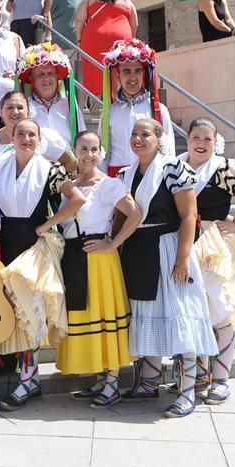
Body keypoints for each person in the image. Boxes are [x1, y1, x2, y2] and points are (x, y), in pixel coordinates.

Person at [117, 116, 216, 416]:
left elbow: (189, 215)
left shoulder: (175, 168)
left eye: (145, 134)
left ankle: (187, 391)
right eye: (134, 133)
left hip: (169, 247)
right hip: (138, 250)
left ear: (159, 139)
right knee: (147, 314)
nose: (138, 139)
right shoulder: (125, 173)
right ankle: (149, 382)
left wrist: (183, 258)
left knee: (179, 314)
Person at [0, 118, 83, 409]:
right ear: (11, 137)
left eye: (32, 134)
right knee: (14, 310)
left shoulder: (49, 169)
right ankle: (28, 376)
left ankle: (29, 380)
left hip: (34, 244)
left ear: (40, 140)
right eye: (21, 134)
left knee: (32, 309)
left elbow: (76, 200)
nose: (26, 138)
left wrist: (48, 224)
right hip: (6, 240)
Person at [59, 131, 144, 408]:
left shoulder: (108, 185)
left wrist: (113, 243)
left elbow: (135, 214)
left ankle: (112, 383)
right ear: (75, 151)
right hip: (73, 256)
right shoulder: (69, 184)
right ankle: (99, 377)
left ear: (102, 152)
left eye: (94, 149)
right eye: (83, 149)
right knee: (85, 314)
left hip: (99, 259)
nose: (89, 154)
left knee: (105, 316)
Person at [182, 118, 235, 406]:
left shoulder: (225, 169)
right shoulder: (176, 165)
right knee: (192, 313)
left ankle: (221, 379)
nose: (202, 144)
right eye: (196, 137)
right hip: (182, 245)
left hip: (213, 246)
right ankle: (197, 377)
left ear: (215, 142)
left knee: (219, 312)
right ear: (187, 138)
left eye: (208, 139)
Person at [100, 39, 175, 175]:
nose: (133, 77)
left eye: (138, 71)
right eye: (127, 71)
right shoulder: (110, 112)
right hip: (117, 178)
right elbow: (102, 153)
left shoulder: (158, 110)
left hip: (149, 176)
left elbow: (168, 149)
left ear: (144, 74)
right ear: (118, 75)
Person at [74, 0, 138, 88]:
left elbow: (79, 19)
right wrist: (129, 39)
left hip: (93, 40)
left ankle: (92, 100)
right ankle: (117, 98)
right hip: (120, 42)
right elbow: (135, 24)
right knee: (117, 71)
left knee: (91, 71)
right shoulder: (125, 0)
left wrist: (79, 40)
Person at [19, 43, 78, 150]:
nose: (46, 78)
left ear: (56, 76)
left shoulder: (69, 103)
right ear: (32, 79)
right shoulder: (25, 106)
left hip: (69, 163)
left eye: (50, 73)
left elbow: (81, 134)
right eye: (41, 74)